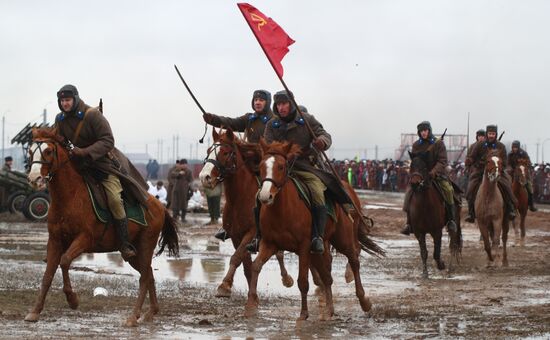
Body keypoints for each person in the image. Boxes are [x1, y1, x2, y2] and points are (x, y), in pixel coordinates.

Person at [54, 84, 148, 261]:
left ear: (75, 99)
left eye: (67, 100)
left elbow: (108, 141)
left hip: (101, 166)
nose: (65, 104)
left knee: (114, 199)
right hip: (77, 168)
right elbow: (59, 141)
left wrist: (85, 151)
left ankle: (124, 243)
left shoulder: (92, 115)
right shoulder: (59, 119)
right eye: (62, 101)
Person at [248, 90, 347, 254]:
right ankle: (259, 236)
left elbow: (325, 135)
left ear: (291, 104)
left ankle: (317, 237)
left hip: (305, 166)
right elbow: (267, 147)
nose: (281, 107)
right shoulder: (272, 125)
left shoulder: (306, 120)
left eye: (284, 103)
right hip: (281, 169)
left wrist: (321, 142)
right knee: (259, 195)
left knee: (316, 191)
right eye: (278, 104)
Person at [202, 90, 272, 240]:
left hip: (265, 162)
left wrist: (258, 151)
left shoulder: (273, 121)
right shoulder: (249, 118)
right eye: (256, 100)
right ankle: (227, 225)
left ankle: (264, 226)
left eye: (261, 100)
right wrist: (213, 119)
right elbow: (230, 123)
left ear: (268, 102)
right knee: (234, 187)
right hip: (248, 160)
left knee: (265, 189)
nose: (258, 102)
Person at [401, 121, 458, 235]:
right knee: (409, 193)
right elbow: (415, 161)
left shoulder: (438, 143)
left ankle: (451, 220)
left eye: (425, 130)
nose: (424, 133)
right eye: (421, 131)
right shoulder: (416, 145)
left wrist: (433, 172)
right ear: (419, 132)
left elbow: (442, 161)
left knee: (448, 190)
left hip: (436, 175)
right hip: (421, 176)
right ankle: (409, 223)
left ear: (429, 130)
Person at [464, 124, 517, 222]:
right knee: (470, 189)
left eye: (493, 134)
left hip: (497, 171)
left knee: (507, 186)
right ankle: (471, 213)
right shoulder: (479, 145)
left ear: (496, 134)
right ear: (487, 134)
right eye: (489, 133)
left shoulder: (501, 146)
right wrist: (469, 160)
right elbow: (472, 157)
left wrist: (499, 169)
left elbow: (505, 162)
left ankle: (510, 209)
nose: (491, 135)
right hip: (480, 171)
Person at [508, 140, 537, 211]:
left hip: (523, 172)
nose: (514, 149)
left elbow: (529, 162)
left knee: (529, 187)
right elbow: (507, 164)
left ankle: (531, 204)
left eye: (516, 147)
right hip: (513, 173)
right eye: (513, 147)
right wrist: (511, 169)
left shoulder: (523, 153)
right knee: (506, 184)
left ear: (518, 147)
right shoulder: (510, 154)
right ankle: (507, 204)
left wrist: (525, 166)